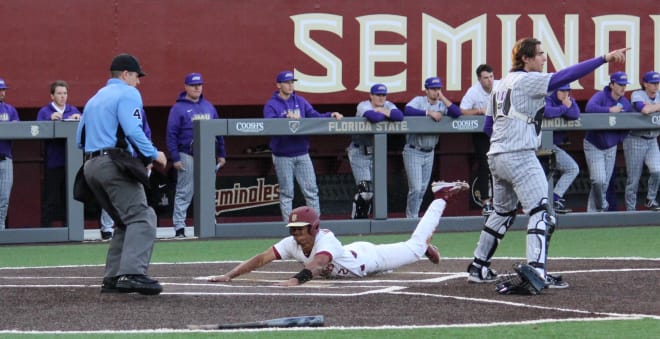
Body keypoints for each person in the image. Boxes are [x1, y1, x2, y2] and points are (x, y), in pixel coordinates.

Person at [466, 38, 628, 290]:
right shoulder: (527, 79)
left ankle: (478, 266)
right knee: (542, 212)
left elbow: (488, 127)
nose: (544, 58)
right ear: (525, 59)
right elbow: (564, 77)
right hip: (519, 154)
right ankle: (537, 272)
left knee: (502, 212)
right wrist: (604, 59)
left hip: (497, 155)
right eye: (539, 54)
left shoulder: (499, 85)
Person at [207, 180, 469, 285]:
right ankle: (424, 246)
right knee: (404, 257)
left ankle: (440, 196)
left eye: (300, 230)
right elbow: (262, 258)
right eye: (294, 230)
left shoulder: (326, 240)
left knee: (414, 246)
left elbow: (319, 264)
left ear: (313, 228)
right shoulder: (291, 242)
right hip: (355, 255)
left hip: (369, 259)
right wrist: (230, 275)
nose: (296, 235)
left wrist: (293, 281)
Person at [76, 53, 167, 295]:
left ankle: (114, 277)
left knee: (123, 222)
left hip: (90, 165)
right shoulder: (128, 93)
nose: (139, 82)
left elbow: (79, 138)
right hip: (113, 162)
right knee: (142, 216)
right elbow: (133, 130)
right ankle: (132, 273)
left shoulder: (95, 97)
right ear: (126, 74)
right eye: (137, 76)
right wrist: (153, 154)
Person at [263, 70, 343, 222]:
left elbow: (315, 116)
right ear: (279, 85)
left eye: (292, 82)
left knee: (311, 190)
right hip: (282, 155)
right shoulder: (271, 104)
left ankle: (315, 225)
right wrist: (285, 117)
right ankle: (289, 228)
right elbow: (269, 124)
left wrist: (330, 115)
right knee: (287, 193)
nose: (290, 85)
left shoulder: (300, 101)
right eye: (287, 82)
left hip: (302, 152)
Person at [166, 73, 226, 238]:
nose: (197, 87)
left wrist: (221, 153)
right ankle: (179, 227)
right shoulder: (178, 108)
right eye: (193, 85)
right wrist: (175, 158)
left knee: (208, 192)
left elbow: (219, 131)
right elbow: (171, 134)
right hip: (187, 154)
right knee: (185, 191)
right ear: (186, 87)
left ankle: (210, 224)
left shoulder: (209, 106)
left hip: (208, 155)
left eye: (199, 85)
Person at [403, 77, 460, 218]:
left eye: (438, 89)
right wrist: (428, 113)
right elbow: (407, 110)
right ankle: (411, 219)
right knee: (415, 188)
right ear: (426, 90)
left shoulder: (441, 105)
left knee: (422, 189)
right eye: (433, 89)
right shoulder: (419, 101)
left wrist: (443, 98)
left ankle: (413, 216)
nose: (436, 92)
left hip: (430, 151)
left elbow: (456, 113)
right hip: (414, 149)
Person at [348, 83, 403, 218]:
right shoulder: (363, 105)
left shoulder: (388, 105)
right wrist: (385, 114)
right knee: (365, 190)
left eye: (383, 95)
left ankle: (367, 220)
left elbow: (399, 116)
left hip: (376, 153)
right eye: (378, 95)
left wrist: (383, 111)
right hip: (359, 151)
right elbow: (374, 118)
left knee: (376, 190)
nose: (381, 98)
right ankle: (357, 219)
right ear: (371, 96)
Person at [100, 107, 153, 240]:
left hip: (135, 159)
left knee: (137, 194)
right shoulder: (111, 111)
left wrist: (148, 157)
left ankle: (136, 228)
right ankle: (107, 228)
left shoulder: (139, 110)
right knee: (113, 194)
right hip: (117, 157)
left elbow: (145, 133)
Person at [584, 71, 633, 212]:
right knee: (598, 179)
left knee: (603, 184)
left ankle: (594, 213)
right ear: (612, 84)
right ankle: (602, 206)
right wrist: (610, 110)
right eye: (620, 84)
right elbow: (589, 108)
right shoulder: (601, 96)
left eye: (625, 85)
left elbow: (629, 124)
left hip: (611, 146)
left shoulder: (625, 103)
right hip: (594, 144)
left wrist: (618, 139)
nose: (623, 88)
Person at [36, 80, 82, 227]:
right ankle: (46, 230)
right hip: (53, 162)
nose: (63, 96)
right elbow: (36, 131)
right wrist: (50, 121)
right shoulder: (45, 111)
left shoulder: (73, 110)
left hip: (72, 163)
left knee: (69, 198)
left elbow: (84, 131)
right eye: (59, 93)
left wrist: (79, 120)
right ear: (52, 96)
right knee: (51, 198)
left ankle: (69, 229)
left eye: (65, 93)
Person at [459, 64, 499, 216]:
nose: (489, 80)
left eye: (491, 76)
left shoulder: (500, 86)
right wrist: (479, 111)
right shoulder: (474, 91)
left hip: (500, 131)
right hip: (482, 133)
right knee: (485, 166)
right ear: (479, 79)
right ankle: (486, 203)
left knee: (500, 167)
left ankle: (499, 203)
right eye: (485, 78)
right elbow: (462, 110)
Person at [623, 71, 660, 211]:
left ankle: (650, 199)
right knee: (633, 179)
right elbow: (644, 109)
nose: (656, 85)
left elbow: (651, 109)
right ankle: (631, 210)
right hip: (635, 139)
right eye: (653, 83)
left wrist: (653, 108)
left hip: (652, 140)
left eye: (657, 83)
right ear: (645, 83)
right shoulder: (638, 94)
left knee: (658, 171)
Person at [543, 84, 580, 213]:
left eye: (567, 91)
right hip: (537, 144)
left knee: (572, 168)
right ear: (556, 90)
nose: (565, 94)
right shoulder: (548, 98)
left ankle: (554, 198)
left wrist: (563, 108)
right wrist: (564, 107)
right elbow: (547, 112)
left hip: (552, 146)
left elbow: (575, 114)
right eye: (562, 91)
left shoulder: (569, 99)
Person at [0, 77, 19, 230]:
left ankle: (0, 228)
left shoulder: (10, 110)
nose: (2, 92)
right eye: (0, 90)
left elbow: (19, 131)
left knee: (4, 197)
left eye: (3, 90)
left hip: (5, 157)